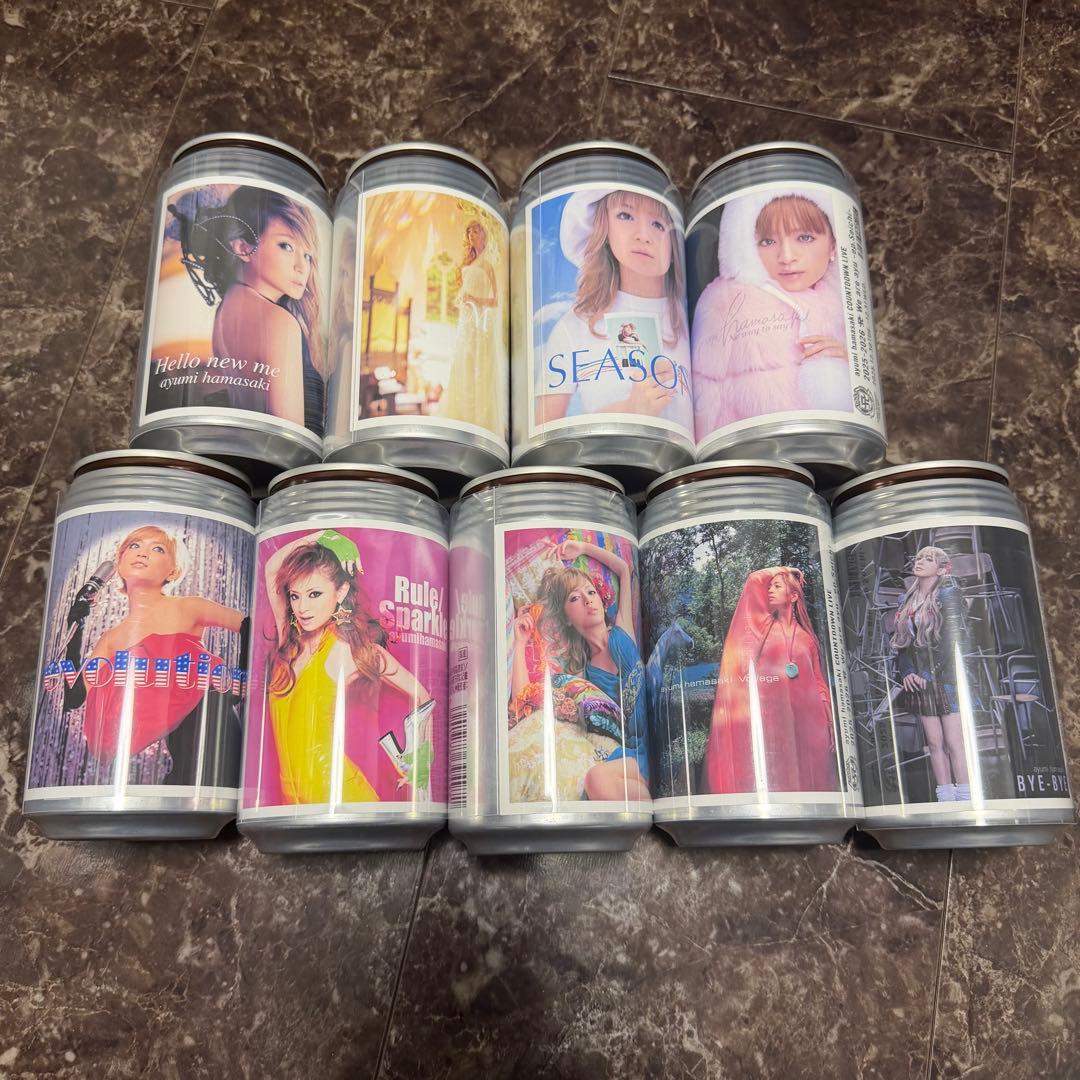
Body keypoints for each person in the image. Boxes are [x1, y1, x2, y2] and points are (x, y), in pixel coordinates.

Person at [60, 526, 246, 779]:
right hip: (183, 757)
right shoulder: (111, 639)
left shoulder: (189, 607)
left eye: (157, 549)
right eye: (134, 546)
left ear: (173, 571)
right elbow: (73, 697)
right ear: (119, 563)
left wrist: (242, 681)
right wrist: (76, 628)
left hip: (216, 727)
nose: (142, 553)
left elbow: (254, 627)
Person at [264, 531, 431, 804]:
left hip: (345, 798)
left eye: (315, 594)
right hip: (294, 805)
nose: (302, 608)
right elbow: (272, 567)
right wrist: (324, 535)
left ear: (340, 592)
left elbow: (423, 696)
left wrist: (420, 758)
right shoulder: (288, 641)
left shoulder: (347, 651)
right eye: (295, 596)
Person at [692, 191, 850, 437]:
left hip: (831, 442)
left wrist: (851, 362)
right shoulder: (726, 299)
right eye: (767, 242)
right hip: (750, 448)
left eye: (805, 237)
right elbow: (705, 392)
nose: (786, 257)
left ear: (833, 244)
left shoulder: (842, 302)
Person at [170, 186, 326, 434]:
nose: (302, 267)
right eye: (286, 246)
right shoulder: (278, 322)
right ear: (243, 248)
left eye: (307, 255)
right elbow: (288, 437)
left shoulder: (226, 309)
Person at [536, 189, 691, 427]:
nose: (643, 236)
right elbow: (544, 430)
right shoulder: (576, 325)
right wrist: (629, 410)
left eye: (658, 224)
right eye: (626, 215)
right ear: (604, 227)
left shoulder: (693, 323)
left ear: (674, 246)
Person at [510, 539, 649, 800]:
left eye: (591, 592)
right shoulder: (583, 675)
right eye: (575, 598)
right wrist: (520, 642)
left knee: (597, 780)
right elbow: (525, 700)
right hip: (631, 752)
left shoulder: (623, 630)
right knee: (596, 779)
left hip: (653, 740)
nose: (587, 600)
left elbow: (623, 569)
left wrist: (584, 548)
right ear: (566, 619)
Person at [704, 566, 837, 794]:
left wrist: (829, 719)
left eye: (777, 586)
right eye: (769, 587)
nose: (770, 591)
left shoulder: (807, 639)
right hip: (774, 720)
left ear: (793, 596)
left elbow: (818, 681)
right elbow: (753, 580)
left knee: (806, 779)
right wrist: (786, 569)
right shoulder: (762, 627)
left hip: (807, 723)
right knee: (778, 776)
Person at [890, 546, 971, 802]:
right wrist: (908, 673)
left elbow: (950, 641)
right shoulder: (906, 600)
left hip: (944, 678)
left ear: (941, 569)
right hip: (920, 681)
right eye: (919, 558)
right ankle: (945, 796)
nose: (920, 562)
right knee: (934, 743)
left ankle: (966, 796)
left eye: (929, 559)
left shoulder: (948, 594)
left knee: (954, 742)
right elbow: (902, 644)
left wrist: (928, 673)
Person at [440, 218, 503, 433]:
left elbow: (495, 301)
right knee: (462, 364)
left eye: (476, 231)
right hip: (465, 322)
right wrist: (462, 299)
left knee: (478, 367)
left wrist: (475, 300)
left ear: (484, 234)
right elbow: (464, 292)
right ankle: (461, 417)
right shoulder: (468, 262)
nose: (471, 235)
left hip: (479, 324)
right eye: (469, 232)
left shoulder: (488, 264)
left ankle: (477, 420)